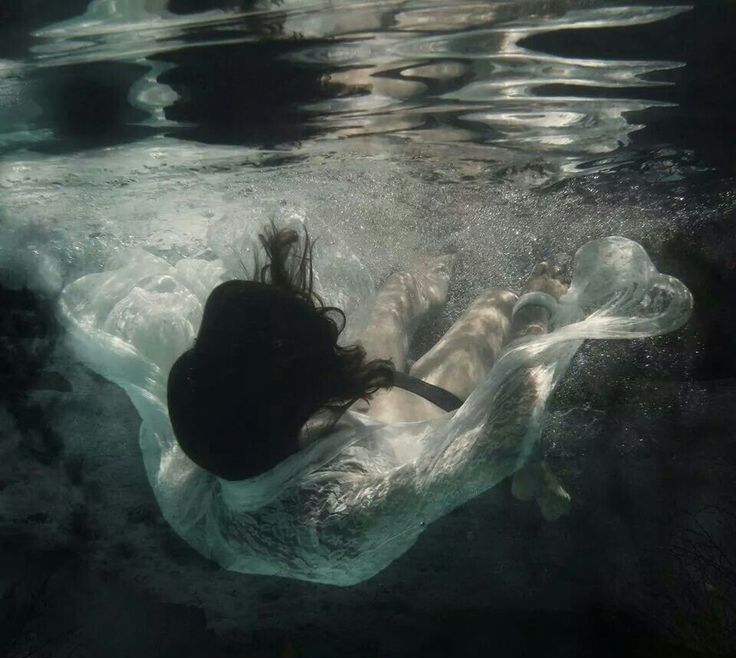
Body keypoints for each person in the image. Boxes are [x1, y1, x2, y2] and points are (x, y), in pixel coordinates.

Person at [60, 223, 692, 585]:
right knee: (496, 308)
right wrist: (539, 314)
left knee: (397, 293)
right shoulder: (338, 523)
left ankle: (446, 241)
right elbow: (492, 446)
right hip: (403, 428)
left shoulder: (190, 461)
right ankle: (526, 308)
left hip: (320, 426)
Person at [166, 224, 567, 497]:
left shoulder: (203, 404)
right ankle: (531, 288)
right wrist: (538, 305)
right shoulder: (345, 515)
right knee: (500, 300)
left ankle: (446, 252)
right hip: (412, 415)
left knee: (402, 284)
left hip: (336, 406)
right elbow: (501, 440)